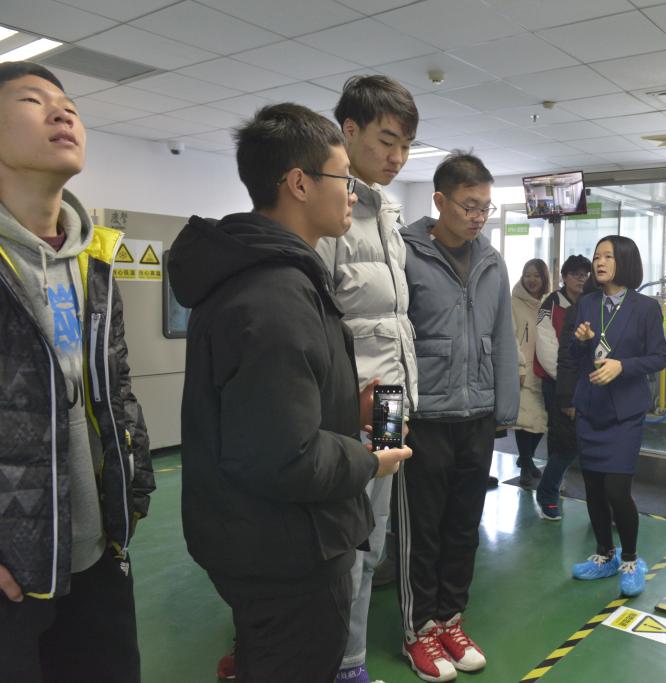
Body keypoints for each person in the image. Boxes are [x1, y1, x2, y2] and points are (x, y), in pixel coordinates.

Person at [167, 103, 411, 683]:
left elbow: (266, 413)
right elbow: (285, 456)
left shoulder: (272, 276)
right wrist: (370, 461)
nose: (352, 193)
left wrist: (345, 408)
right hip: (284, 550)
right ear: (299, 184)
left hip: (257, 536)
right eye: (343, 179)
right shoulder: (274, 295)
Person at [0, 61, 155, 683]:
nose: (62, 111)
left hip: (98, 552)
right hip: (12, 574)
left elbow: (115, 388)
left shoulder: (95, 259)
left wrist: (132, 491)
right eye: (32, 100)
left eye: (69, 104)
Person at [397, 151, 518, 682]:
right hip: (423, 417)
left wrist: (504, 410)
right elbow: (393, 340)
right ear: (439, 201)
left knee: (464, 527)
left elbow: (503, 337)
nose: (478, 217)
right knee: (422, 532)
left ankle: (450, 619)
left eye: (485, 207)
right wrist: (393, 421)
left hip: (476, 416)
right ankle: (418, 629)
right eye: (469, 206)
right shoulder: (404, 254)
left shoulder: (492, 260)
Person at [314, 74, 419, 683]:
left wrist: (400, 401)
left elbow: (393, 322)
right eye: (386, 140)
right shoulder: (329, 214)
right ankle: (340, 663)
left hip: (389, 401)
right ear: (348, 131)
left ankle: (347, 660)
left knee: (373, 542)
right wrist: (342, 404)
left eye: (405, 145)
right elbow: (318, 324)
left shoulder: (387, 215)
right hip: (348, 406)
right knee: (343, 546)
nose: (397, 156)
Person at [568, 236, 666, 597]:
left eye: (608, 256)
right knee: (593, 487)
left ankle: (630, 559)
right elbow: (575, 357)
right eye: (597, 256)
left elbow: (659, 357)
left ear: (624, 261)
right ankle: (604, 555)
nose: (599, 262)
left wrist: (622, 366)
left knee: (616, 489)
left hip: (624, 413)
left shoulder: (646, 307)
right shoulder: (587, 303)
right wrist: (581, 341)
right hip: (591, 408)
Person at [533, 255, 592, 519]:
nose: (581, 279)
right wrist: (570, 382)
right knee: (566, 442)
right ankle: (548, 493)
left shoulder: (592, 302)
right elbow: (547, 349)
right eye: (576, 274)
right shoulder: (550, 304)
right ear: (564, 277)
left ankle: (599, 503)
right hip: (559, 384)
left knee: (579, 443)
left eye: (585, 275)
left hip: (589, 385)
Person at [511, 258, 550, 488]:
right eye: (527, 275)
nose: (531, 280)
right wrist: (519, 366)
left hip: (544, 369)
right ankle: (526, 464)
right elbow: (511, 337)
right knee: (524, 421)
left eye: (536, 275)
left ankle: (526, 458)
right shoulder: (514, 302)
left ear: (544, 278)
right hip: (524, 370)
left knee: (541, 421)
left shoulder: (548, 302)